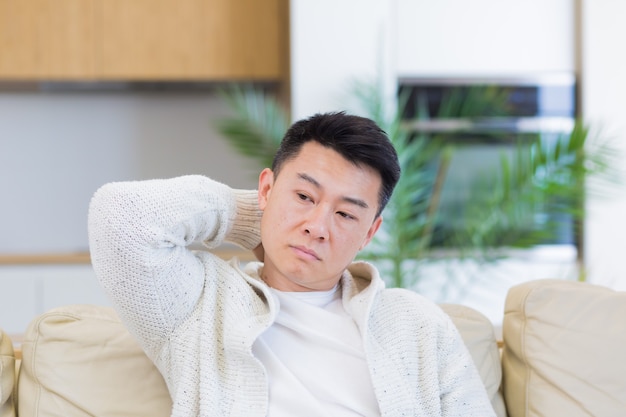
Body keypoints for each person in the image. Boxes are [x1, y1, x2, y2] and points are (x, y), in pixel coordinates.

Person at [88, 111, 496, 417]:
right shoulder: (200, 306)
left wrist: (284, 214)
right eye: (304, 196)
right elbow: (120, 217)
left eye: (346, 215)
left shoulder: (416, 323)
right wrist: (257, 218)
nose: (317, 227)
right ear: (266, 187)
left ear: (369, 233)